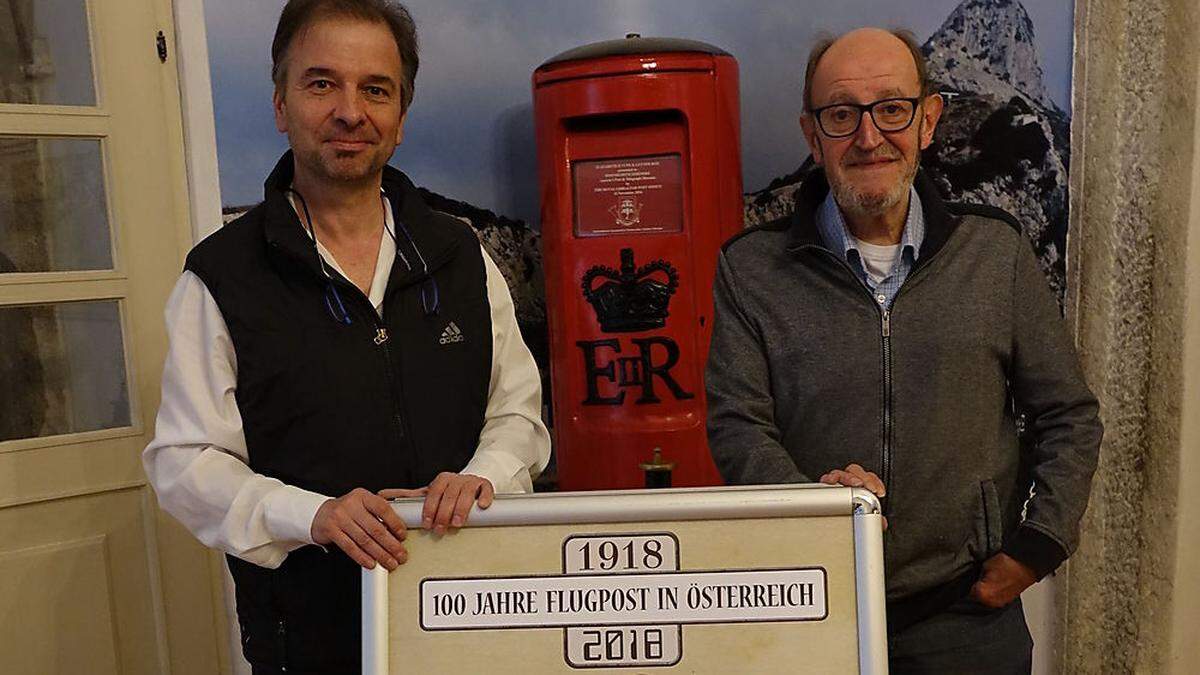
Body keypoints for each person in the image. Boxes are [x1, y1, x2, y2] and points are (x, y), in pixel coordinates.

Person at [143, 1, 550, 671]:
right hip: (305, 640)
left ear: (400, 119)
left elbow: (518, 415)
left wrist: (482, 477)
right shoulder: (219, 279)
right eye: (322, 83)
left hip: (471, 626)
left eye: (376, 89)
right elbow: (185, 461)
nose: (350, 111)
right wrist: (314, 514)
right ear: (280, 104)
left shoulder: (462, 256)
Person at [705, 27, 1102, 673]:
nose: (868, 137)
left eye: (892, 108)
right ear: (812, 135)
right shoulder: (750, 270)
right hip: (810, 612)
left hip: (966, 622)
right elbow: (737, 425)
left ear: (927, 121)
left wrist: (1038, 547)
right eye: (842, 115)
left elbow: (1069, 414)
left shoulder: (994, 253)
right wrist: (817, 507)